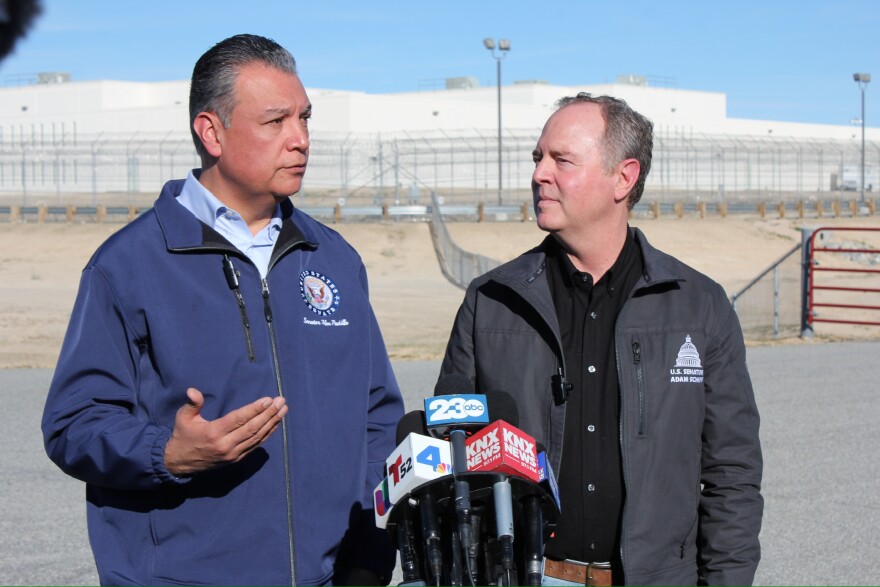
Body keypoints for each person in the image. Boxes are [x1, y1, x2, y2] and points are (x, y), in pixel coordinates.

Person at [42, 34, 404, 586]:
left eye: (305, 118)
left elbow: (377, 418)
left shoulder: (334, 259)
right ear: (211, 132)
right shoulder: (128, 265)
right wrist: (167, 452)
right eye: (275, 121)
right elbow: (73, 425)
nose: (301, 139)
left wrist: (368, 561)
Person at [438, 93, 763, 586]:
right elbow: (447, 459)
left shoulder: (699, 305)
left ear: (624, 177)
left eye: (561, 160)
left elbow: (731, 474)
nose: (539, 174)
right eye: (538, 158)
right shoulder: (492, 301)